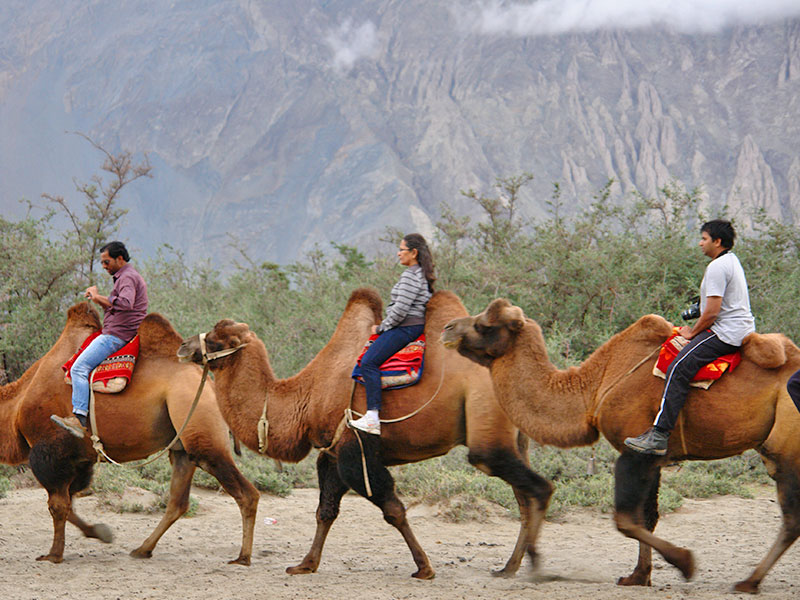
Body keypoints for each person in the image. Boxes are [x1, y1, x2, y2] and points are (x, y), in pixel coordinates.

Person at [625, 219, 755, 455]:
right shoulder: (730, 261)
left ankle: (659, 434)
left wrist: (691, 331)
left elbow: (713, 313)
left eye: (704, 238)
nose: (700, 243)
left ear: (717, 241)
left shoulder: (716, 267)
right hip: (739, 327)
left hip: (725, 333)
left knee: (678, 367)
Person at [51, 241, 148, 438]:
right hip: (119, 332)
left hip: (115, 336)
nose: (104, 267)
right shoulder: (125, 277)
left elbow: (126, 303)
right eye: (102, 263)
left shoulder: (127, 277)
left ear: (120, 258)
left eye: (107, 262)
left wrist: (97, 297)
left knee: (78, 368)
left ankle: (79, 418)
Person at [348, 233, 436, 435]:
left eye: (401, 250)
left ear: (413, 253)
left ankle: (372, 416)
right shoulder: (421, 274)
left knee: (369, 362)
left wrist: (381, 327)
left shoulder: (410, 276)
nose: (398, 254)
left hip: (405, 328)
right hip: (413, 327)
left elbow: (400, 310)